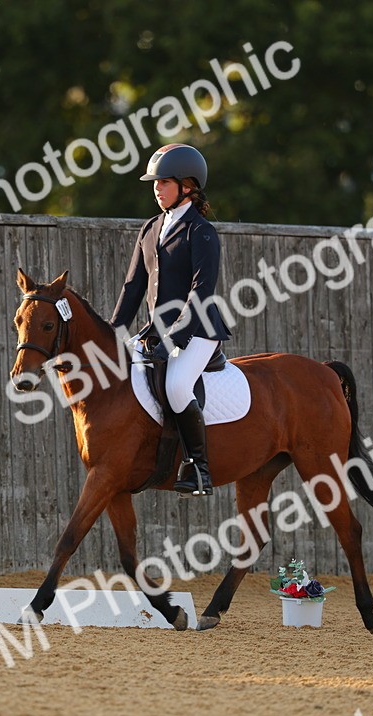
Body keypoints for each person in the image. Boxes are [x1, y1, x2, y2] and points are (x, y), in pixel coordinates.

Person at [109, 143, 231, 497]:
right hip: (157, 331)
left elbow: (201, 291)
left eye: (163, 182)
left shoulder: (201, 232)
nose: (156, 189)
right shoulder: (150, 228)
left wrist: (173, 340)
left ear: (187, 185)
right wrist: (113, 333)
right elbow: (133, 287)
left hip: (199, 332)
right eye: (155, 183)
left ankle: (199, 468)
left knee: (177, 386)